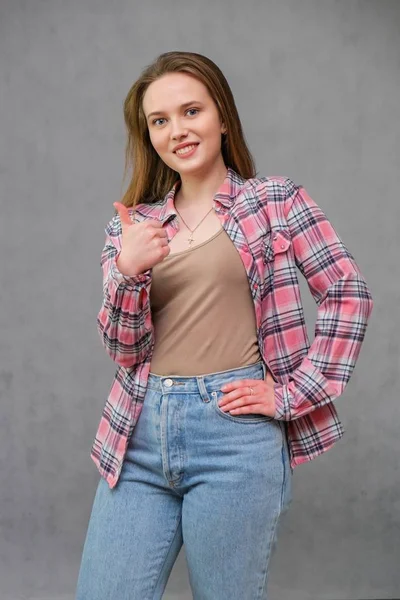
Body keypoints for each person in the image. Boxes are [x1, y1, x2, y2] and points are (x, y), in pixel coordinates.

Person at [75, 51, 373, 600]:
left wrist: (292, 393)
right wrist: (127, 272)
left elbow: (347, 292)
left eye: (191, 111)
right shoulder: (132, 227)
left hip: (234, 437)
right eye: (159, 121)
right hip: (138, 433)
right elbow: (124, 348)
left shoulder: (275, 202)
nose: (177, 131)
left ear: (222, 116)